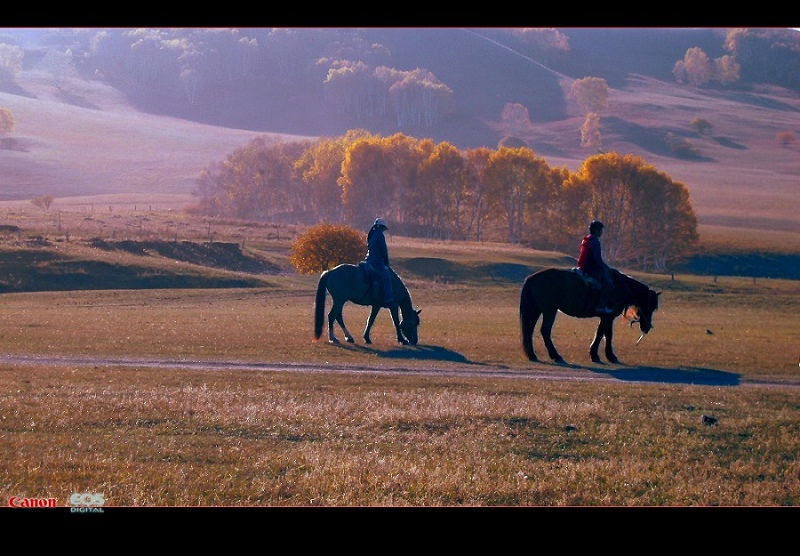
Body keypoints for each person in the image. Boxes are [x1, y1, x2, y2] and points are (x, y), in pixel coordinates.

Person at [577, 220, 613, 314]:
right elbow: (597, 258)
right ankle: (601, 306)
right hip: (590, 269)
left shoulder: (587, 239)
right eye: (600, 230)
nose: (601, 232)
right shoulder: (595, 241)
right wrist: (605, 268)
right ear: (596, 230)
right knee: (608, 284)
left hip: (583, 267)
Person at [365, 217, 395, 308]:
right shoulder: (379, 235)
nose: (383, 230)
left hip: (368, 259)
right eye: (383, 228)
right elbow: (383, 250)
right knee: (387, 278)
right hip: (376, 261)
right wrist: (386, 262)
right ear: (381, 227)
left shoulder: (372, 234)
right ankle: (388, 299)